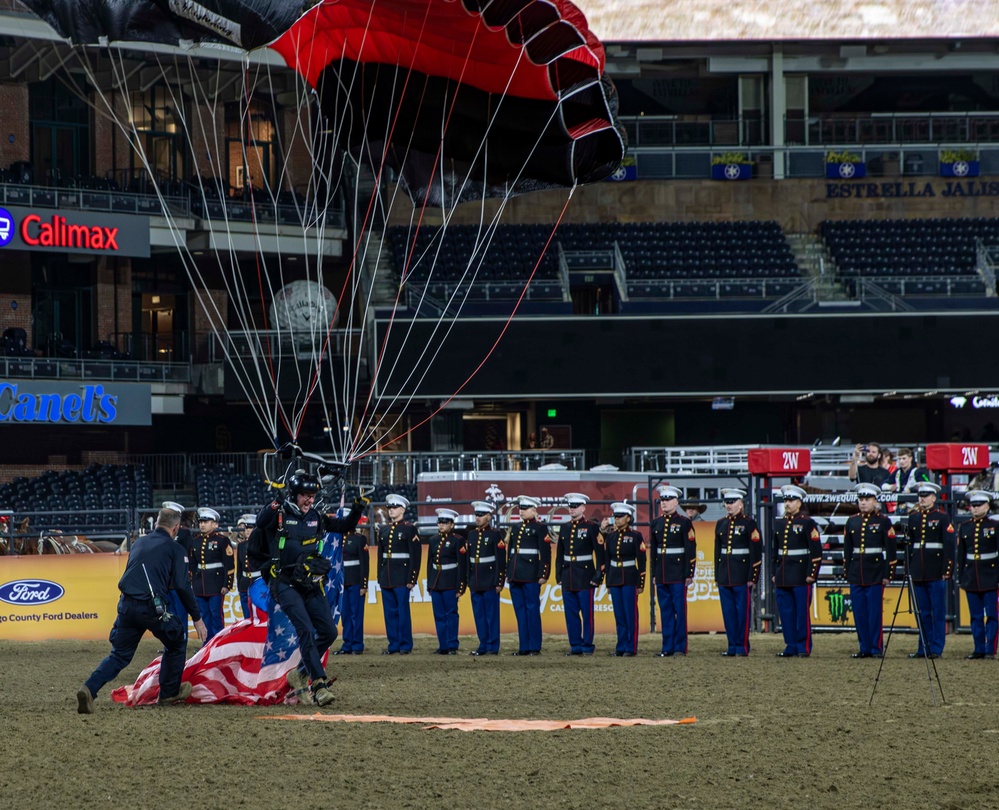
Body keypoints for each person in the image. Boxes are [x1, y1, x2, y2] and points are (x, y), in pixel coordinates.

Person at [76, 507, 208, 714]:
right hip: (152, 608)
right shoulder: (175, 550)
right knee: (176, 640)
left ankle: (89, 689)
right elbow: (182, 586)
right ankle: (168, 693)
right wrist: (197, 618)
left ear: (156, 523)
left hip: (127, 606)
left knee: (119, 656)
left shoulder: (138, 543)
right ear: (175, 529)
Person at [250, 471, 365, 706]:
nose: (309, 500)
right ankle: (319, 684)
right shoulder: (279, 515)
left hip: (310, 583)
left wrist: (357, 508)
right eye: (305, 496)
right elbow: (260, 522)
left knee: (329, 632)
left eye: (312, 496)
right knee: (304, 628)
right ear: (295, 494)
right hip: (284, 583)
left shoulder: (316, 517)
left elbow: (344, 526)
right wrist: (276, 502)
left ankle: (299, 672)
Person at [843, 482, 897, 658]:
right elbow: (847, 550)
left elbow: (890, 550)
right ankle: (864, 647)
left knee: (874, 614)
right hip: (856, 572)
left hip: (875, 572)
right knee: (859, 613)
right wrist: (847, 572)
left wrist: (888, 574)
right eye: (861, 499)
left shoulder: (883, 521)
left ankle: (875, 648)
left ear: (875, 501)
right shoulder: (852, 521)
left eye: (867, 499)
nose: (863, 503)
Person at [904, 482, 954, 660]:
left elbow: (949, 546)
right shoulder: (914, 518)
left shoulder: (942, 518)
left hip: (936, 571)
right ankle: (923, 647)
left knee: (937, 612)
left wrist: (947, 569)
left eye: (926, 495)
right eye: (920, 496)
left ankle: (936, 647)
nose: (922, 499)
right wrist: (909, 568)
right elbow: (910, 546)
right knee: (922, 612)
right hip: (919, 571)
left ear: (934, 497)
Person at [772, 485, 822, 658]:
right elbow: (775, 551)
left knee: (801, 613)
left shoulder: (807, 523)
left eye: (791, 500)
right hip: (783, 575)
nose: (787, 503)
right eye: (786, 500)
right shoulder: (779, 523)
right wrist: (774, 573)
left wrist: (812, 574)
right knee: (786, 613)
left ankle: (803, 646)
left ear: (799, 503)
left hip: (801, 575)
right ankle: (790, 645)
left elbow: (816, 551)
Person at [554, 492, 604, 656]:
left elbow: (600, 553)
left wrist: (598, 575)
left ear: (583, 508)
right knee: (570, 613)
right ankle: (575, 644)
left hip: (585, 576)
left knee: (587, 614)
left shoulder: (591, 527)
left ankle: (587, 644)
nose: (572, 509)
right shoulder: (565, 527)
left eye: (575, 506)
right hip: (568, 575)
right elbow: (559, 554)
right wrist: (559, 574)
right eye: (570, 506)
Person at [714, 488, 762, 656]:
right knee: (728, 613)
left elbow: (755, 552)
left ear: (741, 504)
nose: (729, 505)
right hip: (724, 575)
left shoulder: (749, 524)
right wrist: (717, 576)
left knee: (742, 613)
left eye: (732, 502)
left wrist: (753, 576)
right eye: (727, 502)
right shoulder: (721, 523)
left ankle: (741, 646)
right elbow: (717, 552)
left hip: (742, 575)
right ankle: (731, 645)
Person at [650, 485, 696, 657]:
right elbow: (654, 552)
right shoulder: (656, 523)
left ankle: (679, 647)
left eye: (668, 500)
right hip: (662, 574)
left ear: (676, 502)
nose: (664, 503)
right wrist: (654, 574)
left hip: (678, 573)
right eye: (662, 500)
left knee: (679, 610)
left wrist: (689, 573)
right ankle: (667, 646)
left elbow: (690, 549)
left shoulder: (684, 522)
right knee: (666, 611)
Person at [376, 493, 422, 655]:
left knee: (402, 612)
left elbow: (415, 556)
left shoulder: (409, 529)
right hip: (387, 577)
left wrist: (412, 578)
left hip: (402, 577)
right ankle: (393, 644)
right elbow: (380, 557)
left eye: (394, 508)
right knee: (389, 613)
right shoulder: (384, 530)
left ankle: (405, 644)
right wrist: (379, 577)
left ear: (402, 509)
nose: (391, 511)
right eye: (389, 508)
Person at [957, 490, 999, 660]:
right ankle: (978, 648)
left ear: (987, 506)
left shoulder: (995, 526)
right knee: (975, 616)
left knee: (992, 615)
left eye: (979, 505)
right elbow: (961, 554)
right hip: (971, 576)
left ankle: (990, 649)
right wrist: (960, 577)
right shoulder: (965, 526)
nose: (975, 508)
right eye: (973, 505)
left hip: (990, 575)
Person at [506, 495, 551, 656]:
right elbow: (511, 553)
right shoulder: (516, 527)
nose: (522, 511)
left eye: (525, 509)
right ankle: (523, 646)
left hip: (531, 576)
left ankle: (534, 646)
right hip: (515, 575)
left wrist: (544, 574)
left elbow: (545, 554)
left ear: (534, 510)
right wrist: (508, 571)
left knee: (532, 611)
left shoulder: (540, 528)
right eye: (521, 509)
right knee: (520, 612)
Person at [600, 502, 646, 657]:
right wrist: (607, 582)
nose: (617, 519)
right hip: (614, 577)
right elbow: (607, 560)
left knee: (630, 614)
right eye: (615, 516)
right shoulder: (611, 537)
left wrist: (641, 582)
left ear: (628, 518)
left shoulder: (635, 536)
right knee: (619, 615)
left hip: (630, 577)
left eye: (620, 516)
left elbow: (642, 560)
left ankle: (631, 647)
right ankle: (621, 646)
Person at [465, 500, 506, 656]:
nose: (478, 518)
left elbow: (500, 560)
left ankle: (493, 646)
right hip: (475, 581)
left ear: (489, 516)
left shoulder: (495, 535)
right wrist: (469, 579)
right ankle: (483, 644)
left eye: (481, 515)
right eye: (477, 515)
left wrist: (499, 581)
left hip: (490, 581)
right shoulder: (472, 534)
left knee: (491, 615)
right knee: (479, 616)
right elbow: (468, 559)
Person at [190, 507, 235, 641]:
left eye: (206, 521)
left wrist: (227, 584)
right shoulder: (196, 541)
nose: (202, 524)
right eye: (201, 522)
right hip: (199, 585)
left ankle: (218, 645)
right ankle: (206, 645)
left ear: (214, 524)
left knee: (216, 616)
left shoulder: (222, 540)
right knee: (204, 616)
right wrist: (192, 583)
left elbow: (229, 565)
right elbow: (192, 565)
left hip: (216, 585)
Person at [426, 508, 466, 654]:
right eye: (439, 522)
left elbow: (462, 564)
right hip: (436, 581)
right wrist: (430, 583)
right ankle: (443, 645)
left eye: (445, 522)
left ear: (452, 524)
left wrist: (460, 586)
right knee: (439, 615)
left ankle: (452, 645)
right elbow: (429, 563)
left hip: (450, 581)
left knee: (451, 614)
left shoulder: (457, 540)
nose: (441, 525)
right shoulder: (433, 540)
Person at [334, 522, 370, 655]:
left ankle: (357, 645)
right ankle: (347, 645)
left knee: (356, 614)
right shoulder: (337, 540)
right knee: (346, 615)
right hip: (342, 583)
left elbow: (364, 563)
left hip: (355, 582)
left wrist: (364, 584)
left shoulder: (359, 539)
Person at [161, 501, 194, 642]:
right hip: (165, 582)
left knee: (180, 615)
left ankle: (182, 641)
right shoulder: (161, 534)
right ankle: (169, 643)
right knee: (168, 615)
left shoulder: (185, 534)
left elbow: (188, 556)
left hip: (178, 581)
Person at [233, 513, 258, 621]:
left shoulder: (261, 545)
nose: (247, 531)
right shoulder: (241, 545)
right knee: (247, 616)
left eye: (250, 528)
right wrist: (239, 585)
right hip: (244, 582)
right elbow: (239, 567)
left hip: (257, 582)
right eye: (246, 528)